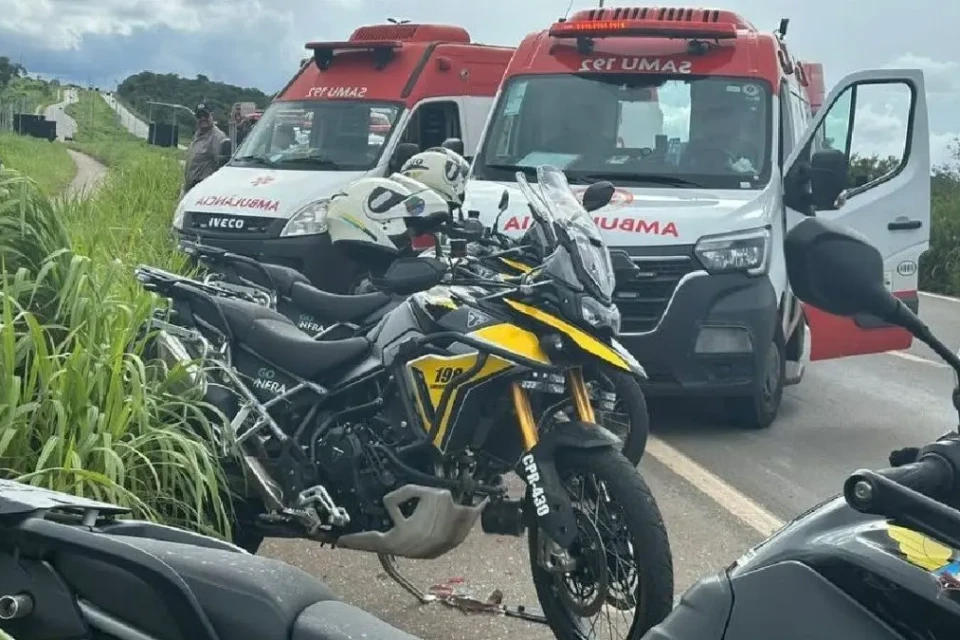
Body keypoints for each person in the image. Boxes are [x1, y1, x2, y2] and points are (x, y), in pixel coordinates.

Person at [183, 103, 228, 194]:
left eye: (205, 115)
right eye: (199, 116)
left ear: (211, 115)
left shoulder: (217, 137)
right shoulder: (197, 134)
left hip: (204, 190)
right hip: (191, 188)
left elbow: (222, 168)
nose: (203, 118)